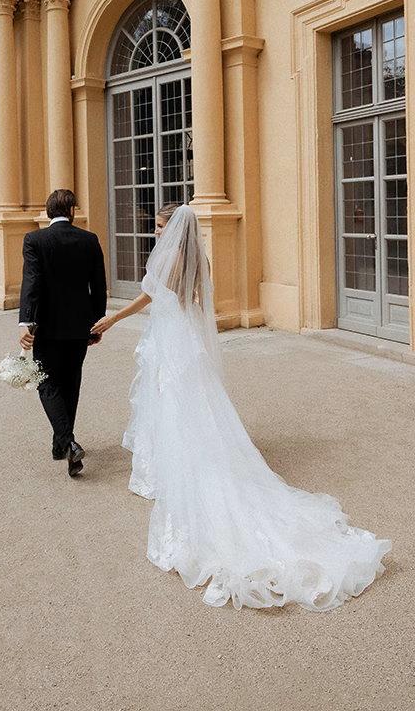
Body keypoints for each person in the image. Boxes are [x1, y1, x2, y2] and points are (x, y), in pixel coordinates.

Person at [91, 204, 391, 611]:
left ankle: (179, 467)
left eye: (160, 227)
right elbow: (195, 302)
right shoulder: (200, 258)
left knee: (174, 408)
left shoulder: (164, 259)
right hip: (186, 342)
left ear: (173, 230)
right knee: (194, 409)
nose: (157, 233)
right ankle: (188, 458)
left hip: (172, 342)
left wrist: (112, 319)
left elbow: (149, 297)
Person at [19, 189, 107, 477]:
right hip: (80, 326)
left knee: (46, 383)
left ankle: (67, 441)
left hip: (46, 327)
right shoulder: (89, 239)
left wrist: (26, 324)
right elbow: (98, 286)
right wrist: (97, 323)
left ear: (48, 212)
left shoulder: (35, 240)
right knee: (70, 383)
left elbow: (31, 284)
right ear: (71, 211)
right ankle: (62, 444)